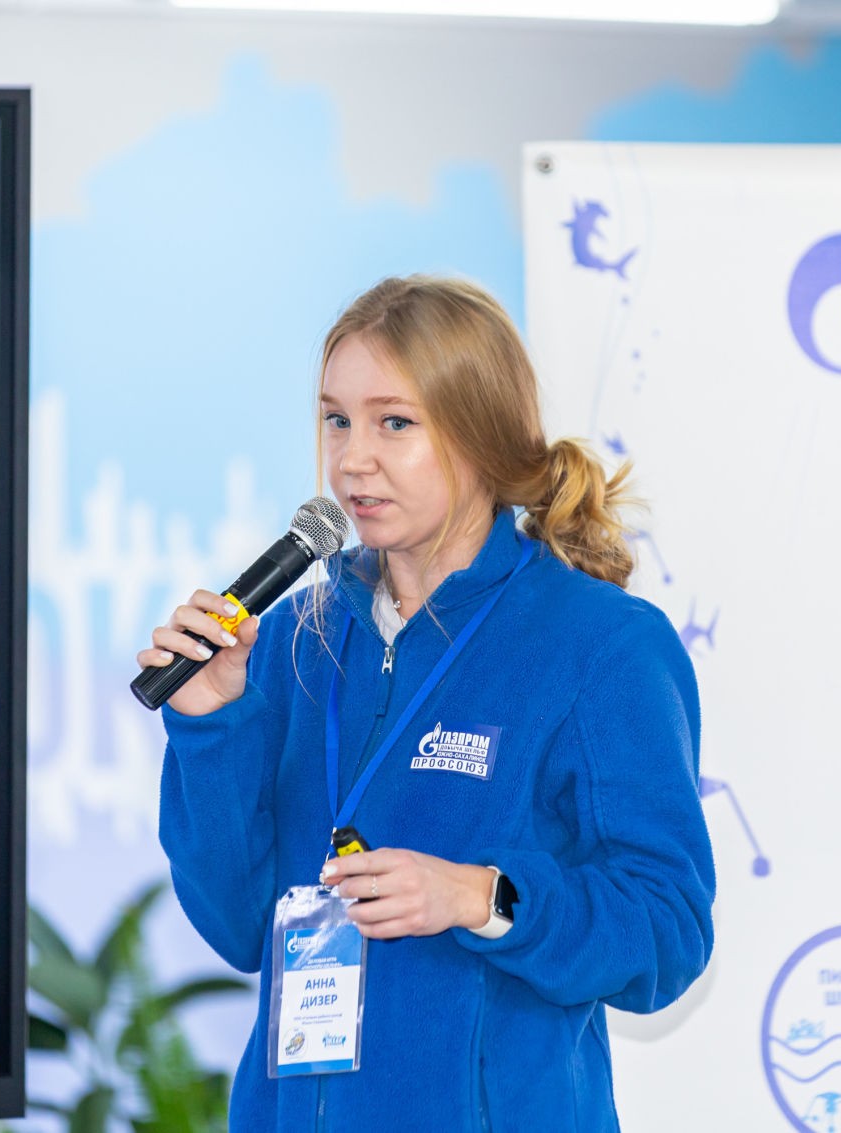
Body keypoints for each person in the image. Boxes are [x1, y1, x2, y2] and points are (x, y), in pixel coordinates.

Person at [142, 275, 715, 1131]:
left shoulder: (602, 644)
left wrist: (483, 896)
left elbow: (667, 930)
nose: (352, 459)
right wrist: (209, 723)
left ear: (481, 436)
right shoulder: (292, 638)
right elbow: (236, 923)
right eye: (336, 419)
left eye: (394, 423)